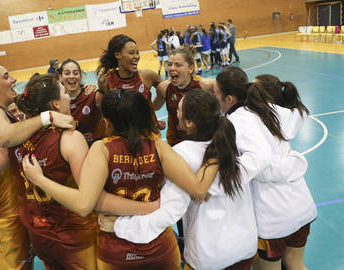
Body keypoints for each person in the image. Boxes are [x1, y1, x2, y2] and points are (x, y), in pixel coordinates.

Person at [22, 89, 220, 269]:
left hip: (117, 251)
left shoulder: (102, 149)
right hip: (159, 246)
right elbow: (199, 190)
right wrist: (217, 152)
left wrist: (39, 179)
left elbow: (85, 204)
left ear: (107, 122)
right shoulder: (159, 147)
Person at [102, 89, 258, 270]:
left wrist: (121, 226)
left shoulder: (182, 153)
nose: (175, 112)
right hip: (245, 243)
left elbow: (170, 209)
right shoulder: (229, 141)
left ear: (189, 122)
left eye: (179, 109)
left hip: (211, 253)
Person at [0, 62, 74, 270]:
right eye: (7, 76)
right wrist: (48, 116)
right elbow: (5, 138)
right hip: (4, 212)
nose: (14, 80)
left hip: (16, 207)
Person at [213, 67, 317, 270]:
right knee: (296, 264)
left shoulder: (238, 121)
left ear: (230, 98)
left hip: (272, 217)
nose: (213, 96)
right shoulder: (271, 110)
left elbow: (261, 161)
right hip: (301, 204)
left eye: (216, 92)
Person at [97, 34, 165, 130]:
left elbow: (166, 92)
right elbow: (103, 111)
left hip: (147, 135)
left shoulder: (147, 76)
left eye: (137, 53)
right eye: (131, 53)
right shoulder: (105, 81)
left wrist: (153, 112)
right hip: (122, 137)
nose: (136, 56)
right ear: (118, 55)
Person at [153, 46, 215, 146]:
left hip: (200, 141)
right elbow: (154, 107)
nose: (172, 68)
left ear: (190, 68)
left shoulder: (206, 86)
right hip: (176, 143)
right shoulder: (164, 88)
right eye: (170, 64)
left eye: (178, 65)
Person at [58, 58, 105, 145]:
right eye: (67, 73)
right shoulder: (55, 102)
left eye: (75, 73)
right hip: (69, 151)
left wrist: (102, 89)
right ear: (60, 77)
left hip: (94, 149)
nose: (71, 76)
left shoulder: (93, 95)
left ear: (81, 76)